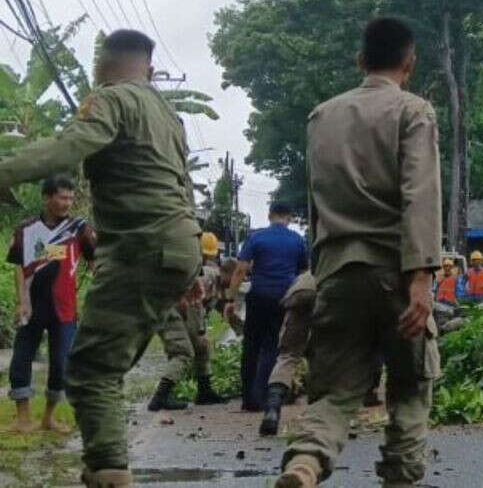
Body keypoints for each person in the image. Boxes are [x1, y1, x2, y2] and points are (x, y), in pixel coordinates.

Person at [0, 29, 203, 488]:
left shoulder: (109, 99)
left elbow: (67, 149)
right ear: (149, 70)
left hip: (141, 245)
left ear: (99, 66)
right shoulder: (167, 113)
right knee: (107, 362)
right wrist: (189, 263)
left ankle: (110, 473)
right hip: (176, 242)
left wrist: (5, 172)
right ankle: (102, 469)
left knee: (91, 369)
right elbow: (181, 187)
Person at [276, 17, 443, 488]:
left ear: (360, 61)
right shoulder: (415, 112)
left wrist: (318, 270)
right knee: (411, 389)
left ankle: (305, 462)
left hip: (337, 272)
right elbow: (420, 196)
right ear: (410, 63)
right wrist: (421, 278)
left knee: (334, 392)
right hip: (395, 271)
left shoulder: (321, 116)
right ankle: (400, 479)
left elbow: (317, 200)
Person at [6, 175, 95, 433]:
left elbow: (94, 262)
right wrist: (22, 301)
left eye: (70, 198)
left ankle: (48, 417)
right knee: (21, 358)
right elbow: (19, 268)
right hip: (32, 306)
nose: (68, 203)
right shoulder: (26, 230)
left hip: (65, 309)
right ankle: (22, 418)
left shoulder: (80, 229)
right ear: (47, 198)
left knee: (61, 363)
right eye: (62, 197)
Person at [224, 202, 308, 412]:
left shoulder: (256, 237)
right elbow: (303, 274)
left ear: (270, 216)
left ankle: (248, 398)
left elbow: (240, 270)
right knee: (272, 345)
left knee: (251, 346)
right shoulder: (297, 240)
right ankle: (264, 395)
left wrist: (230, 299)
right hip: (284, 298)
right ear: (289, 217)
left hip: (259, 296)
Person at [147, 232, 228, 411]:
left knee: (201, 347)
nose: (207, 259)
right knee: (183, 352)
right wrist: (200, 331)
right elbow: (195, 304)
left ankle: (204, 391)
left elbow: (207, 305)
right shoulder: (202, 272)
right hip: (169, 308)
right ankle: (160, 397)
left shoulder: (196, 265)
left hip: (171, 307)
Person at [259, 270, 316, 437]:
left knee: (288, 355)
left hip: (299, 293)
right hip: (328, 293)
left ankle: (272, 409)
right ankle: (320, 415)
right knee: (326, 354)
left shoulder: (308, 271)